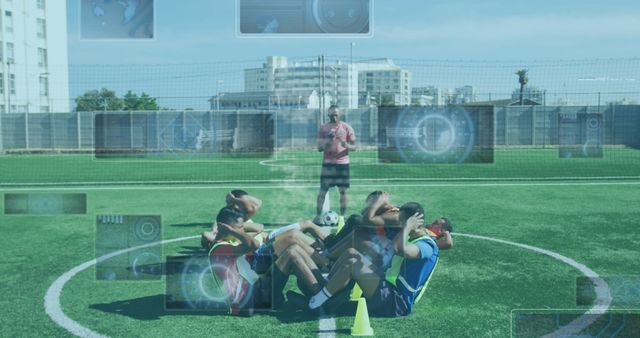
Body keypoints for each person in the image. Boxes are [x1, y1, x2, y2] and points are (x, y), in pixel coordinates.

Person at [306, 202, 452, 317]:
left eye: (401, 220)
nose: (398, 222)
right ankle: (325, 291)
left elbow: (401, 250)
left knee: (352, 264)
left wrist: (407, 227)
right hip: (387, 287)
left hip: (396, 301)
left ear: (412, 222)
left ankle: (314, 304)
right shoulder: (412, 237)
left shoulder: (427, 245)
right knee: (351, 253)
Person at [314, 105, 356, 227]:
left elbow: (354, 147)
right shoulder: (324, 128)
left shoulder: (347, 128)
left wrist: (346, 145)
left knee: (343, 192)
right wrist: (328, 140)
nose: (334, 117)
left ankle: (342, 217)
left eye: (336, 114)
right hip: (328, 165)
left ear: (340, 114)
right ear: (328, 115)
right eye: (331, 115)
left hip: (342, 165)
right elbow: (319, 148)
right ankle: (317, 217)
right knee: (322, 192)